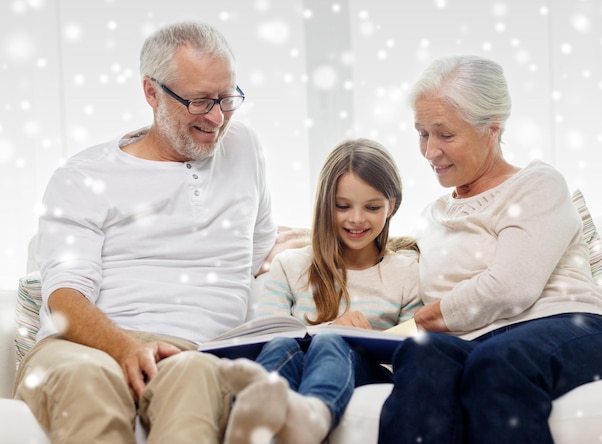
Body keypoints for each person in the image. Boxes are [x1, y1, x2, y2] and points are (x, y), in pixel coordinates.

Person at [12, 21, 302, 443]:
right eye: (201, 101)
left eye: (227, 98)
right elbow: (64, 300)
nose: (218, 118)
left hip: (191, 351)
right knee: (90, 380)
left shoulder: (244, 150)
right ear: (151, 92)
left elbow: (257, 249)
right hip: (82, 348)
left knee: (197, 375)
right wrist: (125, 348)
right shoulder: (84, 176)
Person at [378, 55, 602, 444]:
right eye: (422, 133)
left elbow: (512, 286)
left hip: (571, 327)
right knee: (421, 358)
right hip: (476, 343)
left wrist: (422, 322)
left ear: (491, 129)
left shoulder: (536, 184)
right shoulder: (433, 216)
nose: (429, 151)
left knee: (498, 362)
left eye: (444, 134)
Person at [216, 138, 423, 444]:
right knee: (278, 348)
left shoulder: (407, 271)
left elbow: (409, 356)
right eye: (342, 206)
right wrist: (331, 326)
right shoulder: (290, 265)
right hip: (294, 360)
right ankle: (253, 424)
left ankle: (312, 417)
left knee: (329, 342)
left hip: (366, 370)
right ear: (326, 204)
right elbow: (264, 338)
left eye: (372, 207)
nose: (356, 218)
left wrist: (348, 338)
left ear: (392, 205)